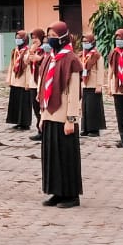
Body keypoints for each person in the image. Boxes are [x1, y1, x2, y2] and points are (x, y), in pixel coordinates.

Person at [37, 22, 83, 207]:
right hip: (49, 114)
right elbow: (44, 87)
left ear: (64, 37)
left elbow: (73, 93)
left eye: (54, 36)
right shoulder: (50, 58)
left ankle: (71, 195)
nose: (50, 40)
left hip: (64, 117)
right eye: (49, 36)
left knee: (66, 156)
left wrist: (71, 120)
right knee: (51, 157)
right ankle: (56, 191)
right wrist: (42, 116)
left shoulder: (71, 59)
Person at [78, 34, 106, 137]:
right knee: (85, 107)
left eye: (87, 42)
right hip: (84, 84)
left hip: (94, 84)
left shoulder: (97, 56)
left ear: (92, 42)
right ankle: (85, 128)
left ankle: (94, 129)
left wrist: (99, 85)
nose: (85, 44)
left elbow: (100, 71)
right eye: (83, 42)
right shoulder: (82, 55)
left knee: (93, 107)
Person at [6, 30, 33, 131]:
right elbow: (11, 65)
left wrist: (27, 82)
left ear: (25, 39)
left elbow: (29, 69)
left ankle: (25, 123)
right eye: (16, 38)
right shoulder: (15, 51)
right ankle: (17, 121)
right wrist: (9, 79)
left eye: (20, 38)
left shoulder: (27, 52)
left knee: (24, 103)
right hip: (15, 80)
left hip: (23, 81)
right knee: (15, 102)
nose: (17, 40)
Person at [28, 28, 47, 141]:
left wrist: (39, 59)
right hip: (33, 83)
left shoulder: (46, 50)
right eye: (33, 38)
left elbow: (45, 62)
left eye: (36, 38)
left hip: (42, 83)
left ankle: (44, 130)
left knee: (42, 108)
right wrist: (31, 51)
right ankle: (40, 130)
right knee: (35, 108)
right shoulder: (34, 50)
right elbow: (26, 61)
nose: (34, 40)